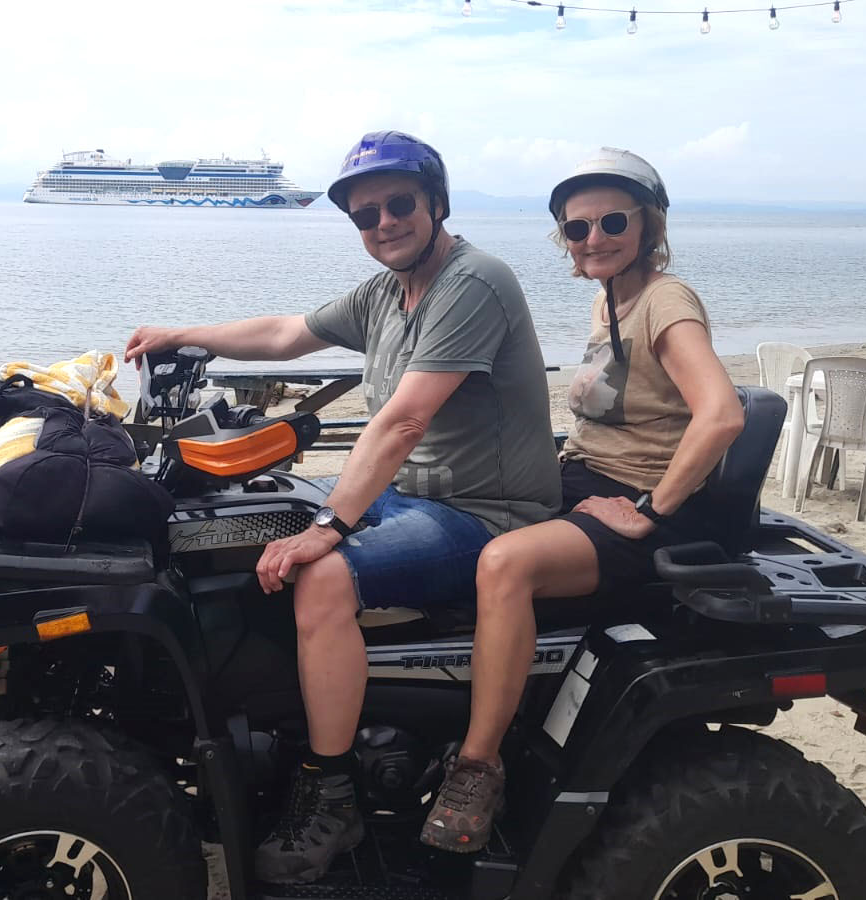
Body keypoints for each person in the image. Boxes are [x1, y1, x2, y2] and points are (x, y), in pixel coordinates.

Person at [124, 130, 560, 883]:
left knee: (321, 574)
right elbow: (287, 333)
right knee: (238, 525)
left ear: (435, 203)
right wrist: (183, 335)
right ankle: (271, 721)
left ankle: (331, 793)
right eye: (365, 215)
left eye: (399, 205)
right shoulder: (386, 293)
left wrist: (329, 528)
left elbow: (403, 421)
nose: (383, 223)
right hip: (407, 493)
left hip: (482, 512)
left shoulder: (474, 282)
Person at [416, 148, 745, 854]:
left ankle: (477, 765)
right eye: (577, 227)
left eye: (612, 222)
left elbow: (721, 413)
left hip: (644, 505)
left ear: (648, 224)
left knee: (504, 564)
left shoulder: (665, 301)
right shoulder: (607, 298)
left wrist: (650, 510)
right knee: (453, 513)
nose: (594, 238)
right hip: (584, 479)